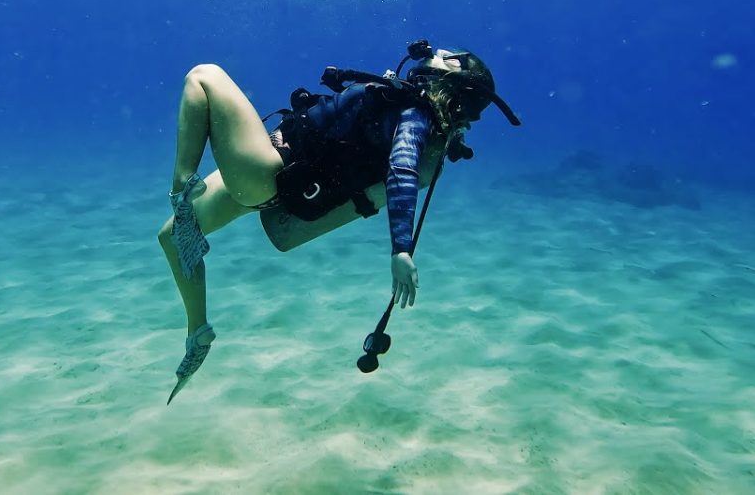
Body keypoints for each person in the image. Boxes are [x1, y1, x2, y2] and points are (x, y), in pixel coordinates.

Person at [158, 40, 520, 403]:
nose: (438, 53)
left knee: (204, 75)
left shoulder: (414, 114)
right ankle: (198, 333)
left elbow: (403, 169)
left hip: (265, 170)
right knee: (172, 236)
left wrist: (401, 249)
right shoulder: (408, 106)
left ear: (457, 82)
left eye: (450, 58)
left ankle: (180, 191)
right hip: (271, 185)